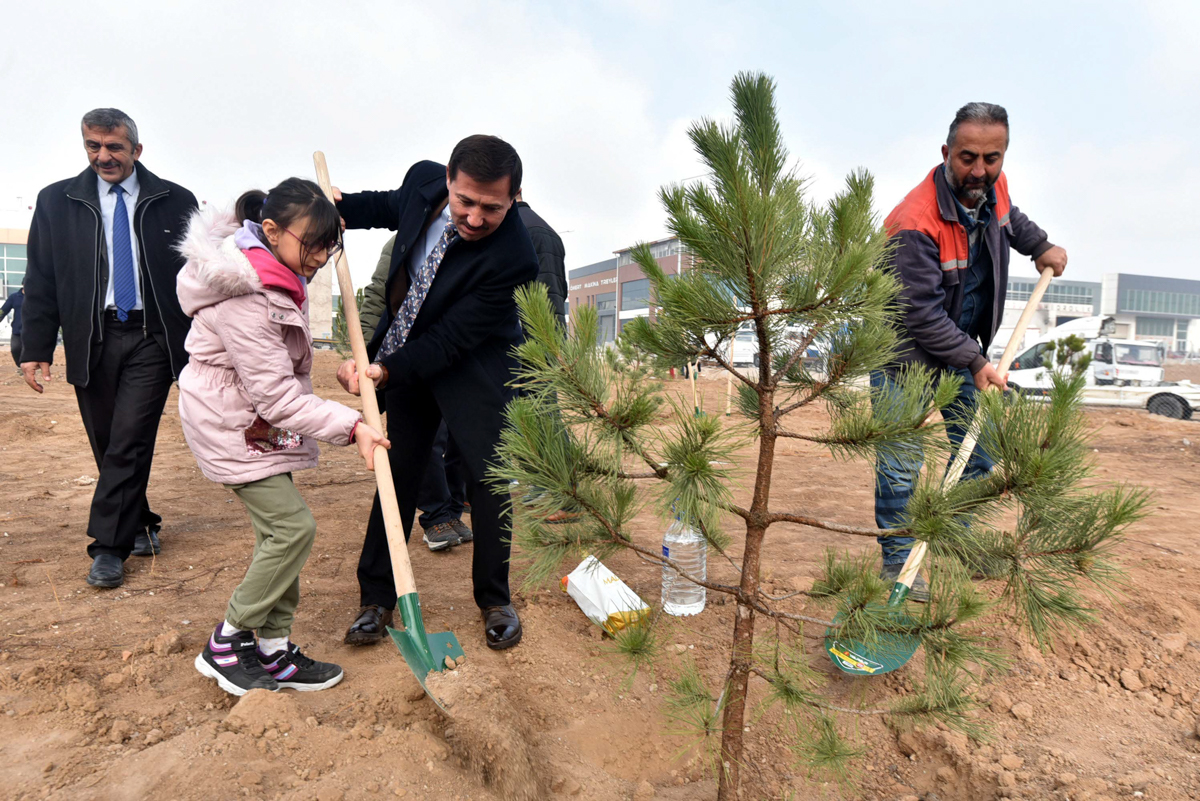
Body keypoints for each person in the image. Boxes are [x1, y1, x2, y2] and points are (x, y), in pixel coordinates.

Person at [176, 179, 389, 696]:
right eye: (310, 243)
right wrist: (352, 426)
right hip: (231, 425)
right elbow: (276, 397)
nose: (318, 256)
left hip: (255, 425)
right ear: (270, 231)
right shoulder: (245, 296)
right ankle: (226, 643)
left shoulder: (275, 273)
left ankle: (273, 650)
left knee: (280, 537)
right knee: (292, 529)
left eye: (326, 245)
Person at [334, 134, 538, 651]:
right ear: (447, 180)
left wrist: (381, 372)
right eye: (465, 201)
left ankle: (494, 598)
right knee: (395, 474)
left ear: (513, 197)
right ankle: (377, 598)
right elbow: (385, 206)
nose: (473, 218)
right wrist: (337, 207)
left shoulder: (514, 256)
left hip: (473, 366)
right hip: (405, 356)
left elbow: (450, 341)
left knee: (488, 479)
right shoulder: (422, 182)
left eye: (491, 208)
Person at [874, 102, 1068, 601]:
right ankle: (899, 563)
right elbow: (919, 315)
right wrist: (978, 361)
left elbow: (1010, 218)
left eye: (991, 157)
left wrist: (1040, 245)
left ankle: (952, 538)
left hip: (962, 351)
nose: (979, 169)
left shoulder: (992, 186)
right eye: (967, 158)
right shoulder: (913, 223)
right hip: (905, 359)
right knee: (900, 465)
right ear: (945, 154)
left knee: (978, 452)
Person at [21, 108, 198, 587]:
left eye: (114, 147)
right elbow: (40, 278)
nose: (103, 156)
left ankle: (108, 548)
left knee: (128, 440)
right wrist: (34, 346)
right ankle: (138, 520)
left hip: (152, 337)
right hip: (90, 337)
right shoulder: (57, 201)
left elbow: (199, 274)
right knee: (107, 442)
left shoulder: (174, 201)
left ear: (136, 150)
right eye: (93, 147)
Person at [360, 237, 472, 551]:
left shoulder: (470, 236)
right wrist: (367, 352)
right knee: (423, 442)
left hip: (451, 355)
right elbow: (377, 294)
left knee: (454, 439)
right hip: (405, 359)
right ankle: (434, 516)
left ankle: (448, 509)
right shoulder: (403, 240)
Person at [0, 287, 23, 368]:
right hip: (17, 329)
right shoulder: (14, 297)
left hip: (31, 330)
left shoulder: (34, 297)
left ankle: (27, 368)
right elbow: (4, 310)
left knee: (28, 351)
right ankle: (20, 365)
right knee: (15, 349)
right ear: (23, 284)